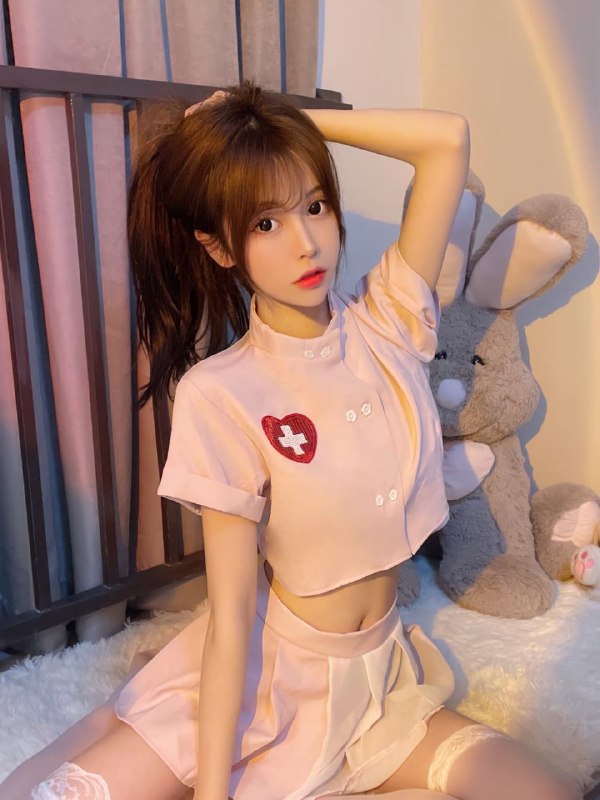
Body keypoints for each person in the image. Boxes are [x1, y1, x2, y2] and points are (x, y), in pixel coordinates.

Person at [3, 82, 579, 800]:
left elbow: (446, 140)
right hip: (265, 686)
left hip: (381, 690)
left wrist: (277, 121)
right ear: (219, 247)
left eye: (315, 206)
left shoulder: (390, 320)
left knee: (549, 790)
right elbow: (231, 619)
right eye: (266, 223)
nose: (307, 243)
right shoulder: (222, 393)